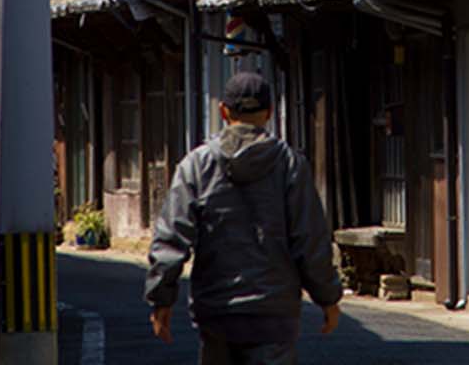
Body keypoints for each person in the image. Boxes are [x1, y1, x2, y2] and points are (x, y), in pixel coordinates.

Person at [146, 71, 343, 364]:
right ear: (270, 112)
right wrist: (327, 297)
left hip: (217, 308)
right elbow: (309, 239)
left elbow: (172, 237)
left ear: (224, 111)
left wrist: (161, 299)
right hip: (274, 311)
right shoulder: (290, 165)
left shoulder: (196, 165)